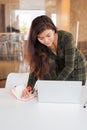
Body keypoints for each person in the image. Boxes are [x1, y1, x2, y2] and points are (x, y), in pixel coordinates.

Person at [22, 15, 87, 98]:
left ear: (53, 30)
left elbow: (70, 66)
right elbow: (36, 68)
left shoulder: (66, 37)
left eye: (48, 35)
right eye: (41, 38)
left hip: (77, 68)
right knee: (60, 96)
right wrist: (29, 87)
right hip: (62, 69)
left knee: (74, 95)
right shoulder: (39, 46)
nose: (46, 41)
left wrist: (53, 86)